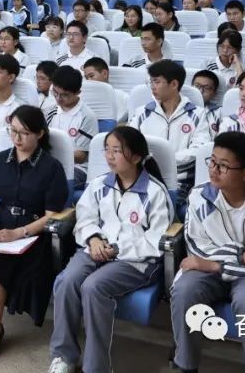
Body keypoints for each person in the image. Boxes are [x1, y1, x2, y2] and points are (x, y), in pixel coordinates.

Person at [49, 126, 173, 373]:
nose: (109, 156)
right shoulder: (99, 185)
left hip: (135, 261)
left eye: (117, 151)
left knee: (93, 287)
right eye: (107, 150)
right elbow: (85, 219)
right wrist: (93, 239)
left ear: (136, 157)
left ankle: (96, 367)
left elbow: (155, 240)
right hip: (95, 249)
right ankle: (64, 356)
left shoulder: (155, 192)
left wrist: (116, 249)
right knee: (66, 281)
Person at [170, 131, 245, 373]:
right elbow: (197, 247)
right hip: (215, 272)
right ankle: (185, 365)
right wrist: (244, 255)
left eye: (223, 166)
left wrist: (216, 264)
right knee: (185, 291)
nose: (214, 170)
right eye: (212, 162)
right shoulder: (199, 197)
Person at [0, 105, 69, 362]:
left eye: (25, 133)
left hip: (31, 233)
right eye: (13, 131)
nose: (17, 139)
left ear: (40, 134)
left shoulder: (51, 168)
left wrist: (19, 233)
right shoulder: (0, 160)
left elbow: (52, 215)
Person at [128, 60, 211, 206]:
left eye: (157, 82)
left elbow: (199, 149)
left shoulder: (197, 115)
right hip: (143, 176)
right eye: (151, 82)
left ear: (174, 84)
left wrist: (166, 161)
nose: (152, 86)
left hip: (179, 181)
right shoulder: (142, 113)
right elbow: (128, 143)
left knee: (156, 205)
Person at [46, 66, 98, 188]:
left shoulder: (87, 116)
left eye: (65, 95)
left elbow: (81, 156)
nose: (58, 98)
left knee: (48, 180)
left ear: (78, 92)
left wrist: (52, 157)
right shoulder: (50, 111)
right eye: (55, 92)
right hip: (51, 163)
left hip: (77, 168)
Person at [82, 57, 129, 123]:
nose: (88, 81)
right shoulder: (84, 99)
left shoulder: (123, 97)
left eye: (91, 76)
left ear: (105, 74)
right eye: (86, 78)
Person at [191, 69, 223, 136]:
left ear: (214, 93)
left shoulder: (219, 113)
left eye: (206, 88)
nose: (200, 91)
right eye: (197, 86)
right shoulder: (180, 107)